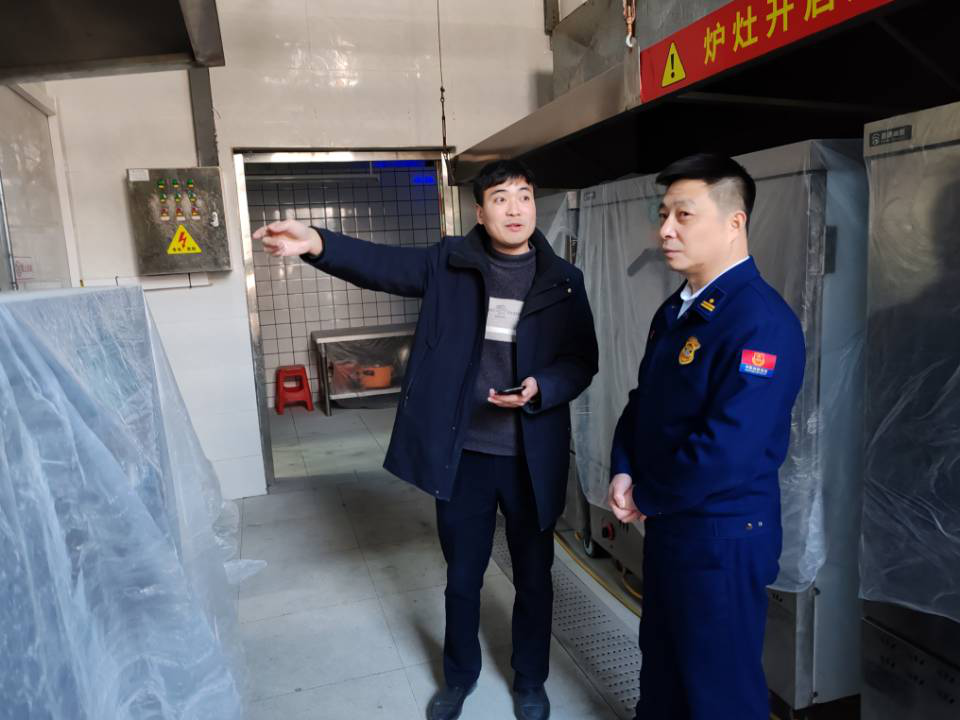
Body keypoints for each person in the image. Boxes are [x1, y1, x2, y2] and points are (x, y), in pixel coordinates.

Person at [255, 159, 598, 720]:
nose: (515, 209)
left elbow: (582, 360)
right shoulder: (449, 263)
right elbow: (380, 265)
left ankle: (530, 680)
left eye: (524, 196)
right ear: (480, 213)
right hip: (464, 456)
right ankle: (459, 677)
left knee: (535, 577)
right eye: (501, 199)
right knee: (462, 576)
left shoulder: (563, 281)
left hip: (531, 457)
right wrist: (316, 241)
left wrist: (543, 386)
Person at [607, 154, 805, 720]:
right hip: (672, 523)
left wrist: (647, 495)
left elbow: (727, 450)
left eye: (684, 215)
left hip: (722, 537)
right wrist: (624, 466)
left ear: (734, 222)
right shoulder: (678, 310)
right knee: (663, 668)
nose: (666, 230)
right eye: (663, 214)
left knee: (719, 689)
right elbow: (645, 402)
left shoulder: (760, 321)